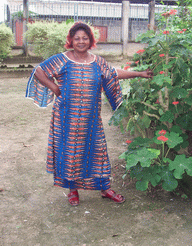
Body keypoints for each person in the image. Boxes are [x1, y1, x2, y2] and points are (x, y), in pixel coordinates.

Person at [26, 22, 153, 206]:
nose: (81, 41)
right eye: (77, 38)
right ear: (71, 40)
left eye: (85, 38)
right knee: (72, 154)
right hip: (66, 118)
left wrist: (139, 74)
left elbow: (113, 73)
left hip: (91, 119)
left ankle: (105, 188)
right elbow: (39, 70)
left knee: (98, 151)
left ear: (90, 40)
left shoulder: (97, 61)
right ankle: (73, 191)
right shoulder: (62, 59)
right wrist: (54, 87)